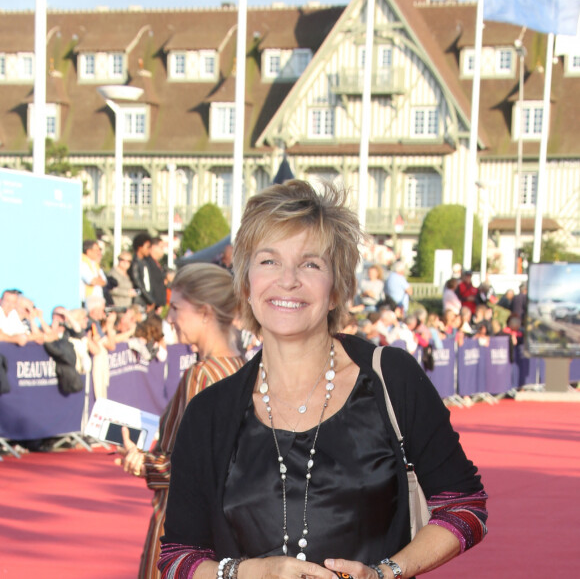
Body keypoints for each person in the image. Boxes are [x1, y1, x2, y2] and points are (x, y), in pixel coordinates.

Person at [159, 180, 488, 579]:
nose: (288, 280)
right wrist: (250, 573)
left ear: (336, 289)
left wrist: (385, 573)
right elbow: (177, 557)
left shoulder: (392, 379)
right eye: (268, 261)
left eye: (311, 264)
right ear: (245, 284)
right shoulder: (210, 413)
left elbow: (465, 505)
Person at [115, 263, 245, 579]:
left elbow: (192, 469)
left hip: (183, 532)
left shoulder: (201, 376)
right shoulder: (243, 369)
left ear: (204, 312)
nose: (169, 318)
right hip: (225, 533)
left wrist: (142, 463)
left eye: (175, 307)